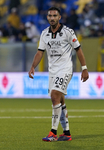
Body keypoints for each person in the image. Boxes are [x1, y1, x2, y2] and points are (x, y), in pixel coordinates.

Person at [28, 7, 89, 142]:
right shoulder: (44, 34)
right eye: (50, 15)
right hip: (53, 71)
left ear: (59, 17)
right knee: (60, 100)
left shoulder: (68, 32)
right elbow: (40, 52)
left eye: (55, 15)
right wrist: (33, 66)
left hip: (65, 69)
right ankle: (66, 133)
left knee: (55, 95)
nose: (52, 18)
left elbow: (78, 49)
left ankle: (53, 132)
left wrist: (84, 68)